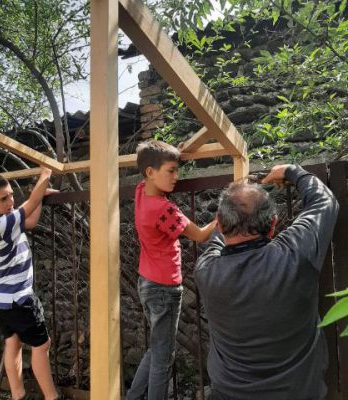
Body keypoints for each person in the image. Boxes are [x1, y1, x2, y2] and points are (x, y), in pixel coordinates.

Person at [195, 164, 339, 400]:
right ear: (273, 224)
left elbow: (216, 240)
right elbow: (324, 202)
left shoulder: (206, 271)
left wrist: (232, 206)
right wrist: (293, 171)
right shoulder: (294, 255)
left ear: (220, 223)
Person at [127, 140, 217, 400]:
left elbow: (151, 162)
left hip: (146, 283)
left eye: (177, 170)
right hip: (164, 288)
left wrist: (170, 153)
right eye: (171, 170)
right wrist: (220, 217)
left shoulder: (141, 192)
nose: (177, 177)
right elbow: (199, 235)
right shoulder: (165, 209)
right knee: (164, 358)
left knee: (156, 349)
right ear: (150, 172)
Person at [0, 168, 58, 400]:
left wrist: (39, 196)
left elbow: (29, 220)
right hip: (19, 297)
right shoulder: (2, 225)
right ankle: (52, 397)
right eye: (3, 198)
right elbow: (28, 207)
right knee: (42, 345)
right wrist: (45, 174)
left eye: (11, 195)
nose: (10, 201)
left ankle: (18, 394)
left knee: (13, 343)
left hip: (2, 297)